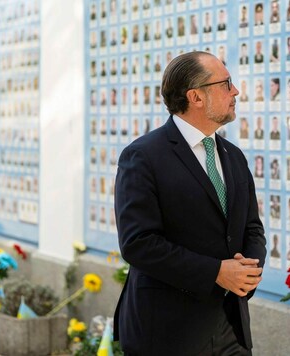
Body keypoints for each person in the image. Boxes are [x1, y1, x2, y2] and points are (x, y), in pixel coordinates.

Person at [113, 52, 267, 355]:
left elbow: (252, 227)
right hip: (167, 332)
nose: (236, 92)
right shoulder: (143, 156)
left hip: (230, 327)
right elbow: (138, 243)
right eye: (226, 84)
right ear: (196, 96)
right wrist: (215, 272)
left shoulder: (234, 156)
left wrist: (247, 272)